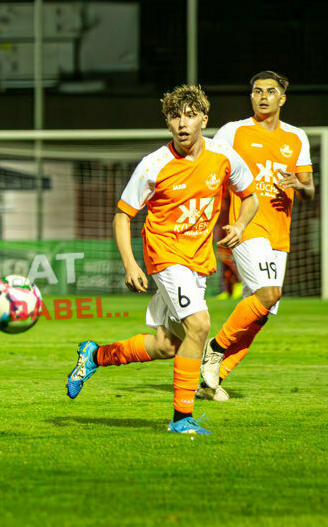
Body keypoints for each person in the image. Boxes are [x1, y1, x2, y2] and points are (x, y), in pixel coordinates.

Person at [65, 84, 258, 435]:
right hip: (165, 254)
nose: (182, 123)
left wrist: (241, 225)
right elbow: (123, 215)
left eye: (189, 115)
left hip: (198, 259)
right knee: (199, 325)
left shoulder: (224, 156)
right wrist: (130, 264)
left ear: (204, 119)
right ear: (168, 124)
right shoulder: (153, 165)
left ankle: (93, 355)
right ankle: (181, 419)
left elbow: (250, 196)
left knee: (168, 345)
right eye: (174, 116)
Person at [198, 71, 314, 399]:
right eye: (257, 91)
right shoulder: (233, 131)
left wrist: (299, 185)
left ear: (283, 98)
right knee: (269, 294)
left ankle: (213, 379)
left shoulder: (297, 137)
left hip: (280, 234)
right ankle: (216, 348)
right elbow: (209, 173)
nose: (263, 96)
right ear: (251, 96)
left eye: (270, 91)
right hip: (246, 227)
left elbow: (310, 190)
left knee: (259, 315)